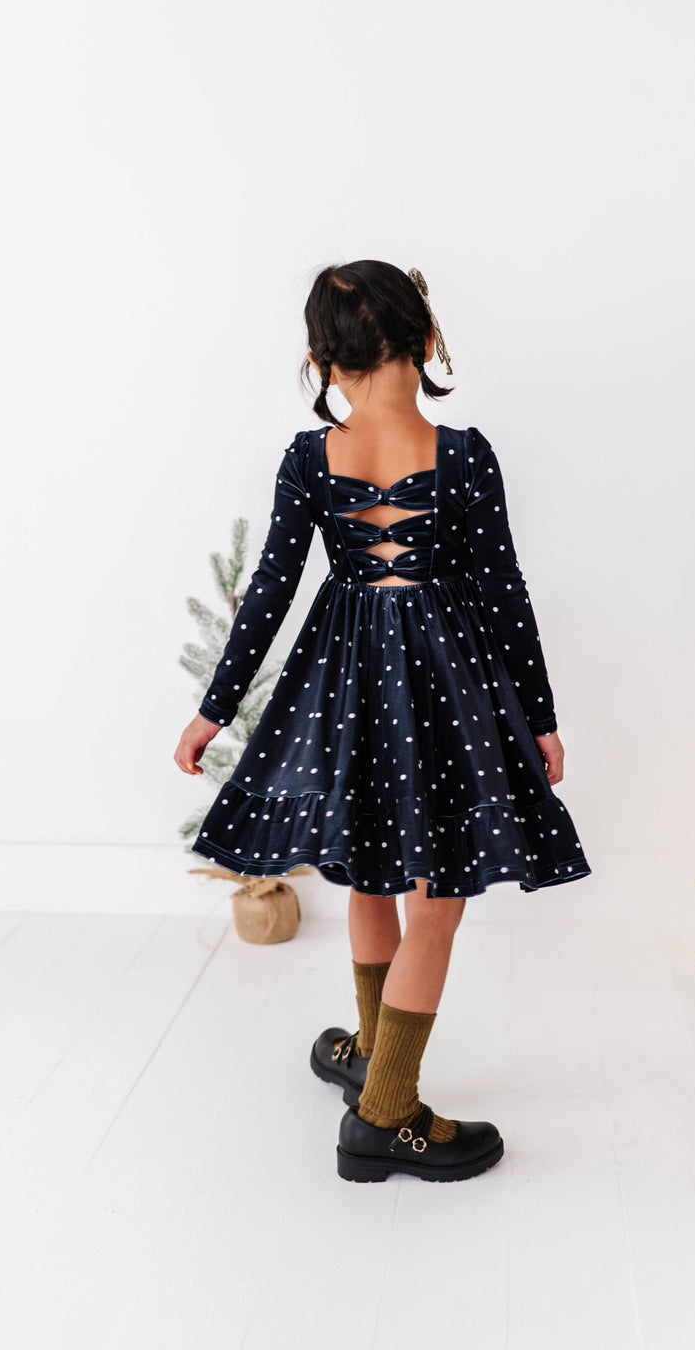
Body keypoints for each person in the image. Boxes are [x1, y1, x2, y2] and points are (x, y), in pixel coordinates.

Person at [174, 260, 591, 1183]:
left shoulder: (310, 459)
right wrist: (540, 719)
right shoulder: (464, 456)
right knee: (437, 901)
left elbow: (270, 591)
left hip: (347, 684)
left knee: (371, 869)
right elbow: (505, 595)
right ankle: (387, 1112)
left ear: (321, 362)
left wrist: (214, 709)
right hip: (448, 688)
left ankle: (372, 1055)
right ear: (428, 342)